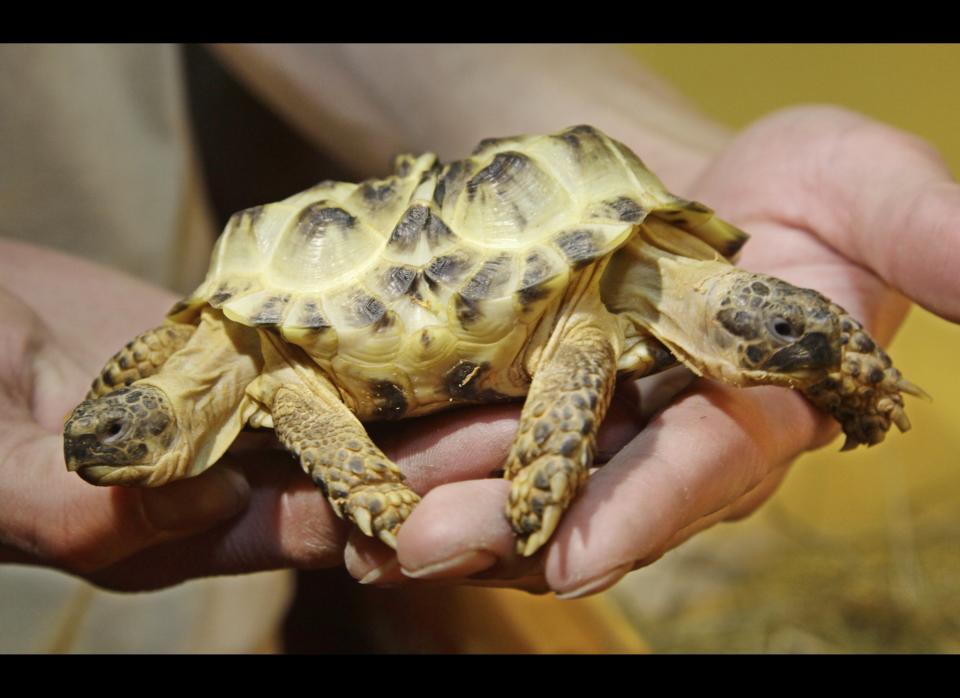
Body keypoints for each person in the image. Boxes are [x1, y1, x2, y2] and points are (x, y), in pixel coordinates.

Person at [2, 44, 958, 644]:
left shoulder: (626, 274)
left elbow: (770, 319)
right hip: (264, 344)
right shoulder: (243, 355)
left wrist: (842, 364)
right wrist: (365, 481)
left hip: (220, 611)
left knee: (761, 329)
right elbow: (230, 388)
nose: (782, 330)